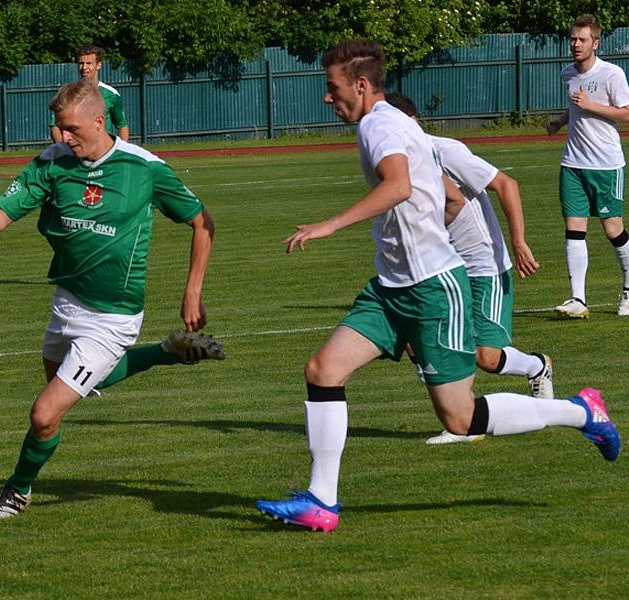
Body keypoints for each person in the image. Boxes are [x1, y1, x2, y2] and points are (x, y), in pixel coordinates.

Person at [255, 40, 621, 533]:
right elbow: (440, 192)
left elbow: (398, 186)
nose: (327, 98)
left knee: (460, 419)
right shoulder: (397, 124)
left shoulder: (378, 124)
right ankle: (322, 500)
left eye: (332, 87)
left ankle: (581, 412)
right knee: (323, 369)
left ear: (361, 86)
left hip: (431, 288)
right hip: (391, 286)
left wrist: (331, 224)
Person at [0, 79, 223, 519]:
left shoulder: (144, 168)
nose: (64, 136)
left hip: (114, 316)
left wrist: (192, 293)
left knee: (44, 412)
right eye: (60, 128)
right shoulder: (52, 163)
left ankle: (16, 491)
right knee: (68, 389)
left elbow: (202, 222)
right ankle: (166, 353)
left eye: (73, 128)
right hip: (67, 301)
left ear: (101, 121)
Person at [386, 92, 553, 446]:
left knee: (485, 357)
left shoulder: (446, 151)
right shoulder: (402, 160)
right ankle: (461, 422)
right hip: (447, 269)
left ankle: (536, 366)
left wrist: (520, 243)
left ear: (408, 123)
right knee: (435, 339)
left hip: (484, 266)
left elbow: (506, 184)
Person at [546, 15, 629, 318]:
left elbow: (627, 114)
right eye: (572, 39)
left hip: (606, 165)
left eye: (582, 39)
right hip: (572, 163)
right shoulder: (567, 72)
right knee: (574, 228)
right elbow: (575, 106)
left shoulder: (612, 74)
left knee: (612, 228)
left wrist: (591, 105)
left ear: (596, 43)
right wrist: (560, 120)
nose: (576, 44)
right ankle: (578, 299)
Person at [50, 45, 130, 142]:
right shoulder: (68, 94)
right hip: (75, 151)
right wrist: (63, 150)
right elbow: (55, 126)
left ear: (98, 65)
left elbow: (121, 125)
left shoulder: (111, 95)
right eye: (81, 63)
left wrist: (119, 153)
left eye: (89, 63)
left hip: (101, 152)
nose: (84, 67)